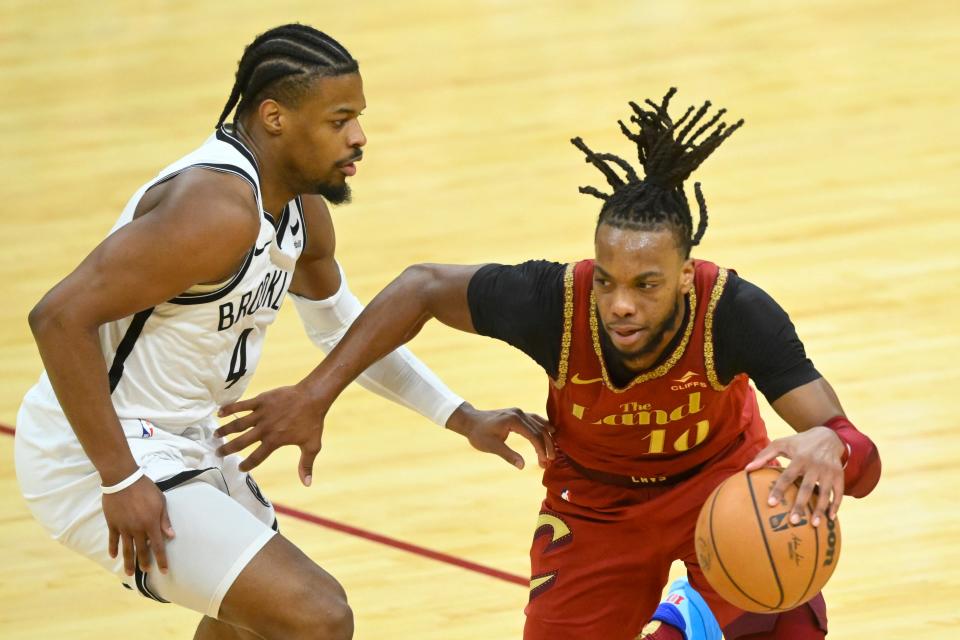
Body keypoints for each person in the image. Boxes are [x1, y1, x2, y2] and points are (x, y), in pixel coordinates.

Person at [215, 88, 882, 640]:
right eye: (608, 280)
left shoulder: (735, 311)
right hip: (596, 506)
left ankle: (693, 620)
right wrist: (315, 393)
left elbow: (862, 458)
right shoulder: (553, 303)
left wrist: (832, 443)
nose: (619, 304)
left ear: (686, 277)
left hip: (718, 489)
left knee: (784, 605)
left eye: (645, 285)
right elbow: (420, 288)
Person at [15, 24, 550, 640]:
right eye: (339, 120)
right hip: (94, 450)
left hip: (183, 435)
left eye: (359, 117)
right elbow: (56, 319)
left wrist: (461, 416)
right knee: (318, 618)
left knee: (252, 625)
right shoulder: (214, 211)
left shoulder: (300, 209)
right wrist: (120, 478)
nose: (359, 137)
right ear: (274, 117)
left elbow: (347, 335)